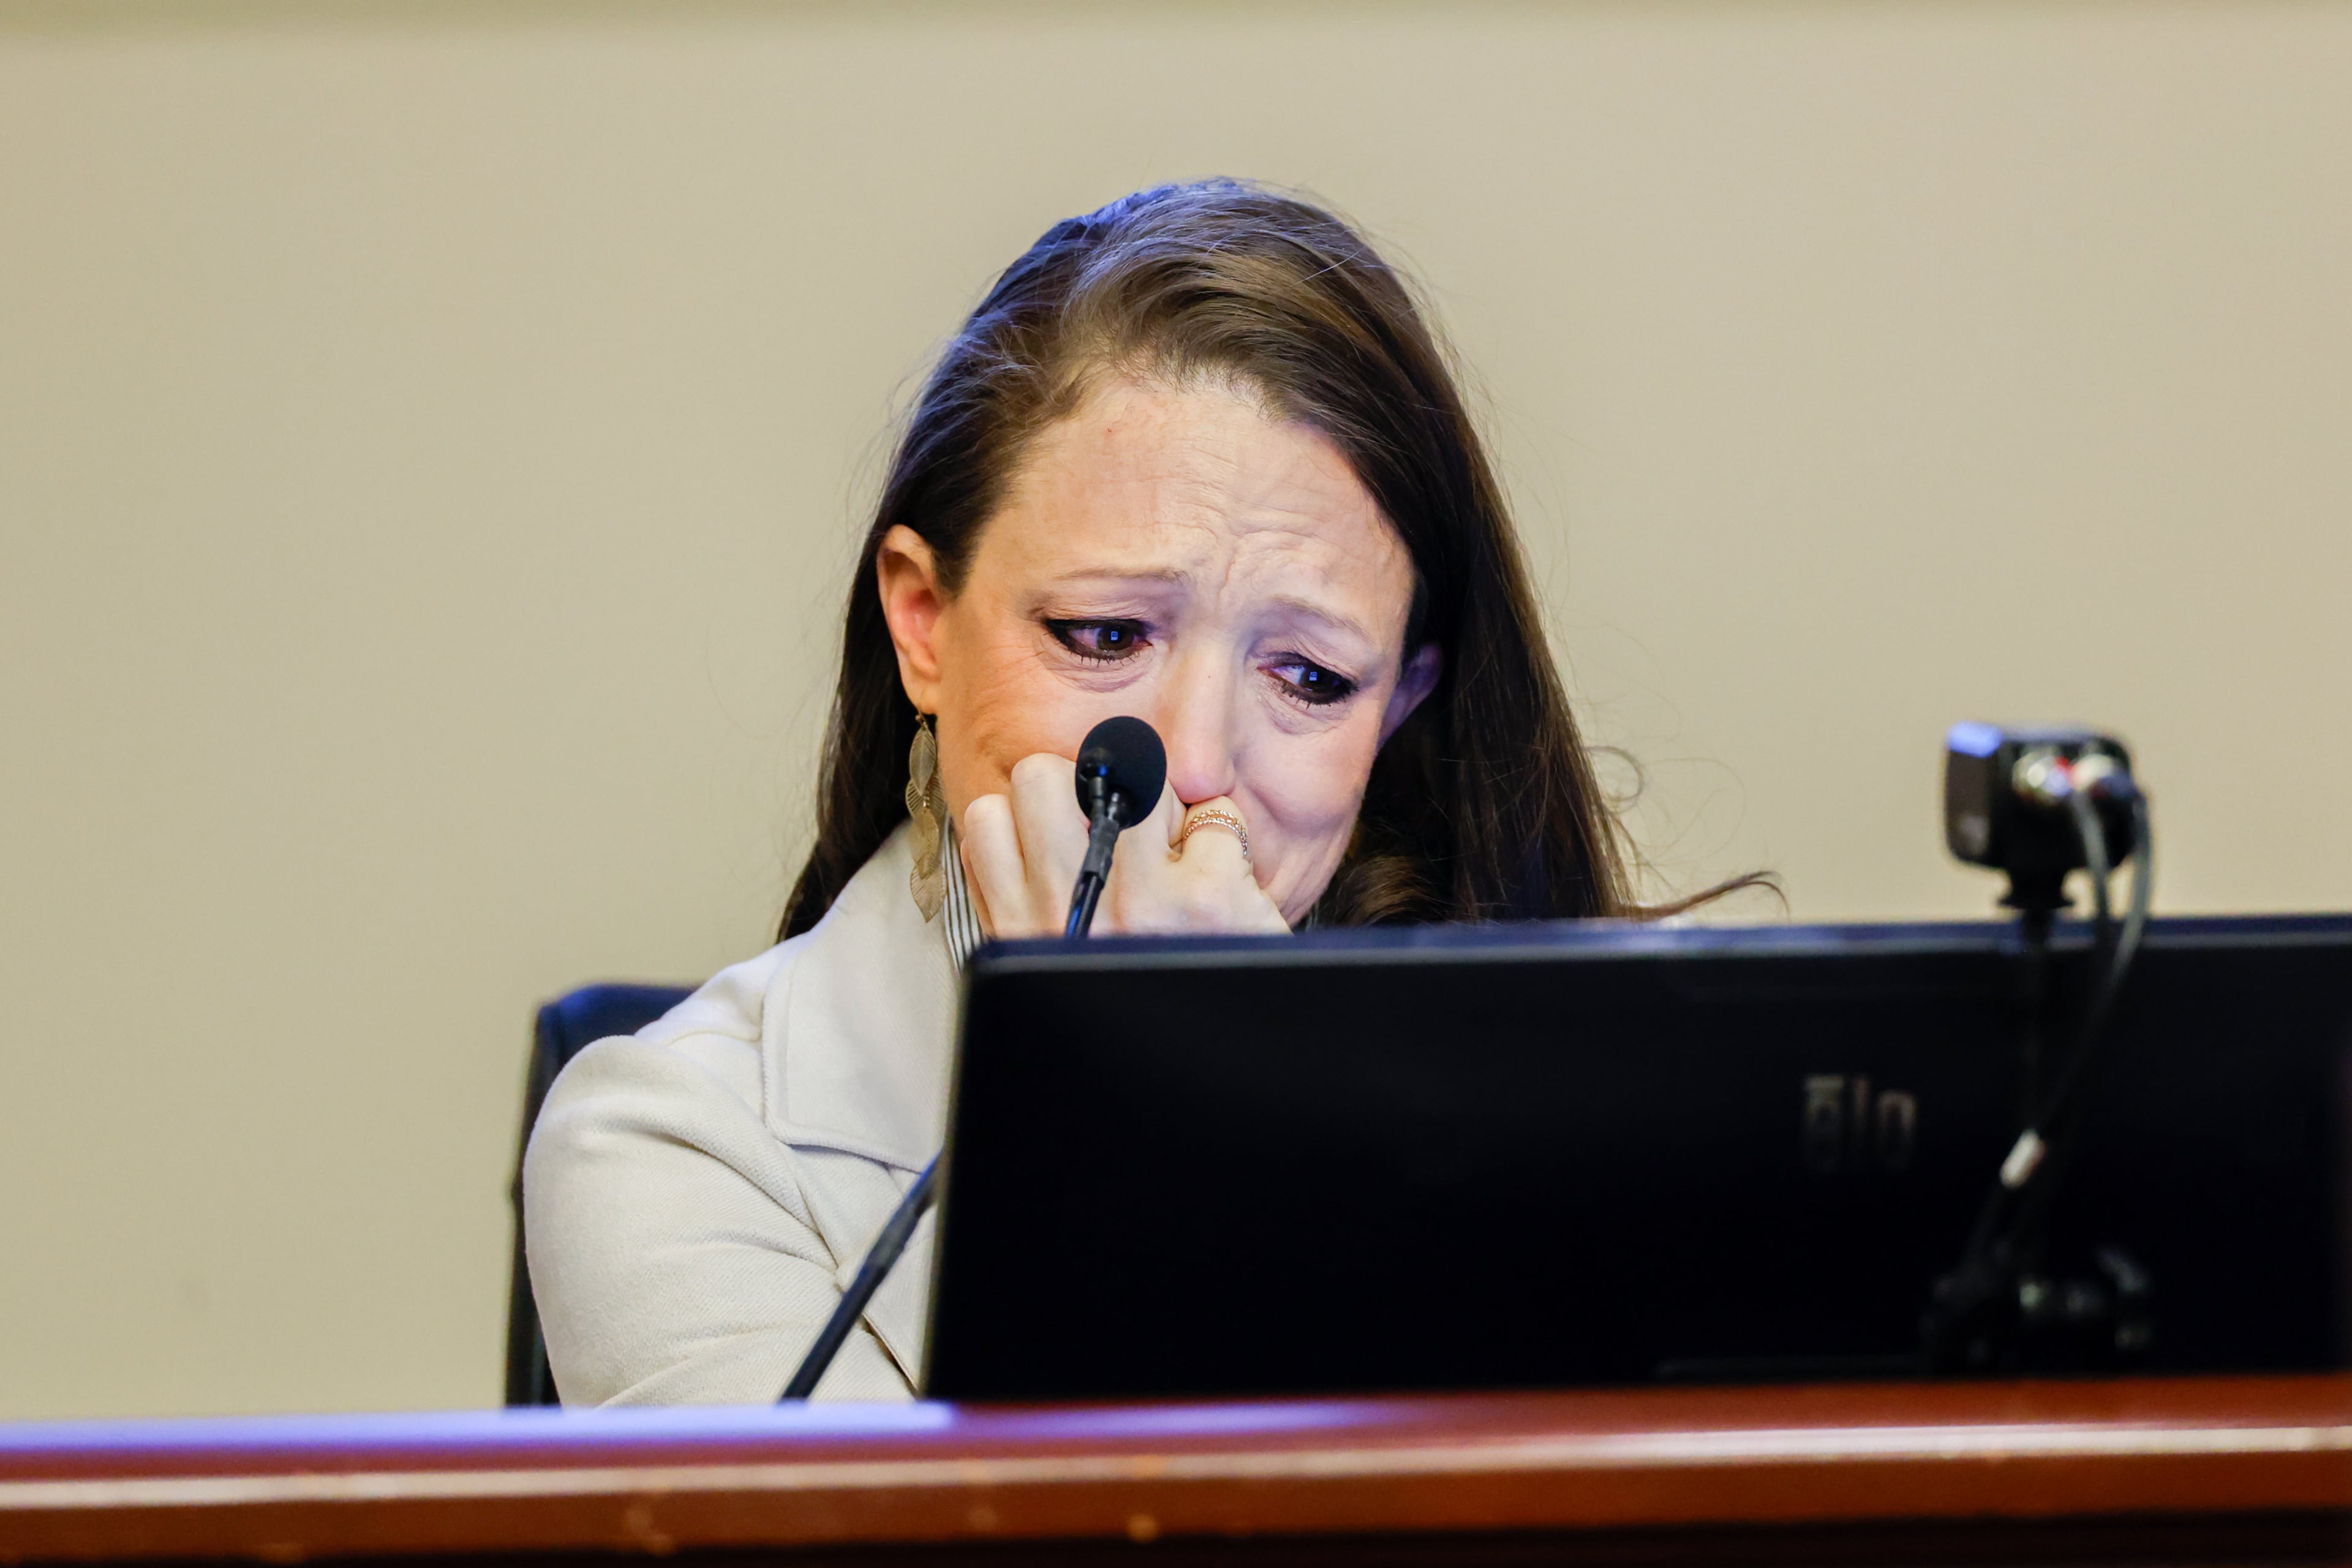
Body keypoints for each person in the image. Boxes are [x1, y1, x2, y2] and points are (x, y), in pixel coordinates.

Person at [524, 179, 1740, 1404]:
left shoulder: (1582, 1111)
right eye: (1106, 636)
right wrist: (1166, 1093)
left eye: (1311, 675)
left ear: (1398, 707)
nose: (1197, 760)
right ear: (925, 620)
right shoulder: (672, 1141)